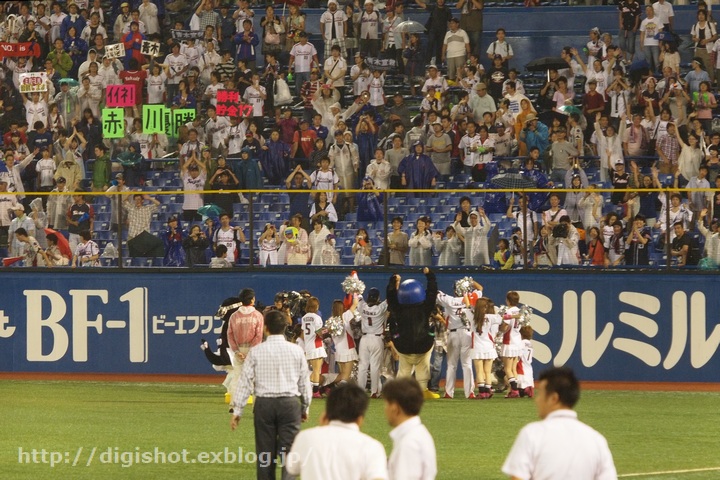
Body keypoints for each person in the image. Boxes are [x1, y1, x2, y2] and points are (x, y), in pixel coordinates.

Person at [230, 310, 312, 480]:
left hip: (264, 405)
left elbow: (245, 382)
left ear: (265, 328)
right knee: (289, 454)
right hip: (289, 404)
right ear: (284, 327)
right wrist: (305, 407)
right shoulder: (296, 351)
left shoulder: (256, 351)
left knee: (265, 455)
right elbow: (304, 383)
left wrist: (238, 410)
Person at [502, 367, 617, 480]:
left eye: (540, 394)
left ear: (553, 399)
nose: (537, 400)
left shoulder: (532, 434)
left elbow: (518, 477)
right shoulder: (596, 439)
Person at [286, 383, 388, 480]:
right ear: (360, 419)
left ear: (325, 414)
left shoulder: (305, 437)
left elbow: (292, 467)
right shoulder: (372, 447)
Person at [386, 267, 440, 399]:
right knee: (423, 366)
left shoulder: (398, 309)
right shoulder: (425, 307)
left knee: (404, 369)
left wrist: (393, 282)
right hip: (423, 344)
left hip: (403, 345)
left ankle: (398, 392)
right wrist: (430, 276)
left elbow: (391, 298)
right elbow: (432, 293)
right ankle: (422, 390)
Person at [383, 377, 437, 480]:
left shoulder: (409, 443)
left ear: (395, 408)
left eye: (386, 404)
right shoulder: (417, 433)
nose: (385, 409)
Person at [356, 287, 388, 398]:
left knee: (362, 366)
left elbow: (358, 295)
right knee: (375, 366)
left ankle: (360, 391)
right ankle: (374, 392)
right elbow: (390, 299)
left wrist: (357, 288)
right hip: (376, 338)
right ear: (378, 298)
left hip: (364, 339)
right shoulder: (380, 308)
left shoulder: (362, 306)